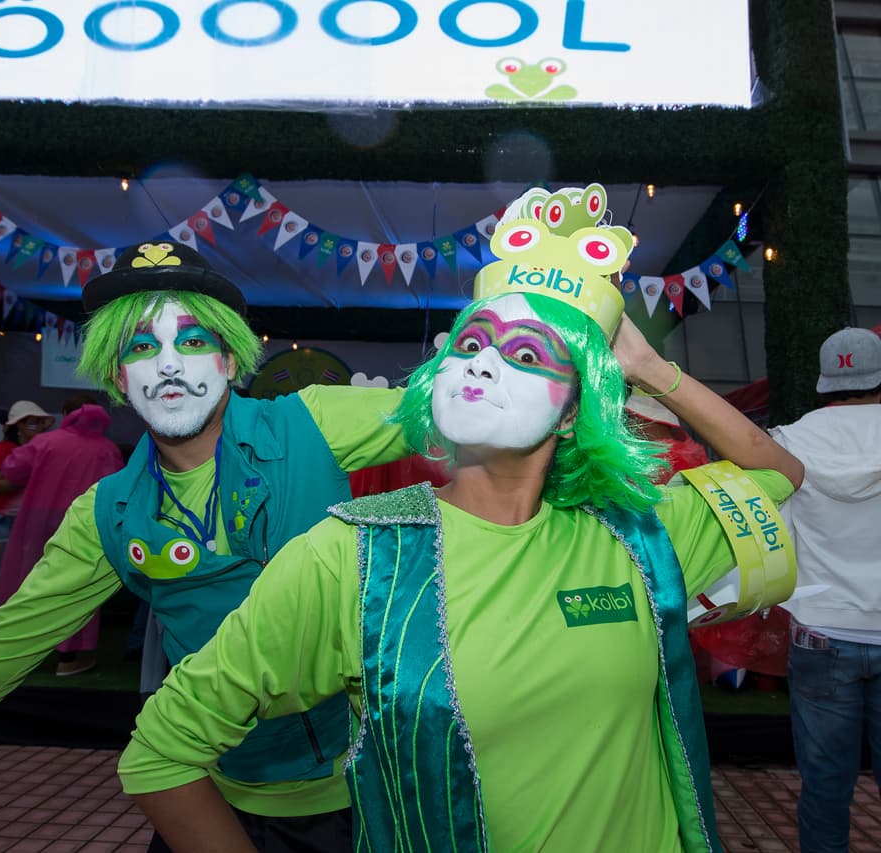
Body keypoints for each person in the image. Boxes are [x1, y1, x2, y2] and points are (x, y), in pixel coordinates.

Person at [117, 187, 806, 852]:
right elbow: (158, 754)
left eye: (527, 353)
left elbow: (776, 474)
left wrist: (652, 367)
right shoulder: (351, 556)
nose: (482, 364)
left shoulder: (636, 536)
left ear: (572, 414)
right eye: (470, 344)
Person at [0, 241, 411, 852]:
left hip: (360, 796)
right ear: (115, 375)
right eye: (139, 346)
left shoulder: (310, 422)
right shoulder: (108, 514)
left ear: (231, 359)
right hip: (209, 793)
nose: (168, 363)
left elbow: (471, 401)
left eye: (192, 339)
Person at [769, 326, 881, 853]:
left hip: (821, 633)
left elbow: (772, 535)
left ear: (825, 380)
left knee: (825, 784)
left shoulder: (788, 441)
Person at [0, 393, 124, 676]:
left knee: (26, 583)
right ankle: (69, 658)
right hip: (84, 528)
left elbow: (11, 470)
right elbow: (119, 493)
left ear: (66, 413)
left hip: (37, 523)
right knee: (77, 589)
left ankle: (13, 654)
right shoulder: (107, 449)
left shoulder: (45, 442)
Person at [0, 400, 54, 638]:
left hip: (27, 524)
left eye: (37, 421)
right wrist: (31, 476)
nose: (34, 426)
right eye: (28, 421)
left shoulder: (44, 449)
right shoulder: (0, 451)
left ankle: (6, 636)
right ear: (16, 426)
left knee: (20, 584)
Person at [624, 391, 710, 483]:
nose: (627, 422)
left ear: (641, 418)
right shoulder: (689, 452)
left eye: (629, 416)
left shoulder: (662, 462)